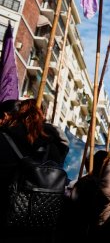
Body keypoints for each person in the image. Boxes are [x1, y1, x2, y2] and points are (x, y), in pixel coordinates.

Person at [0, 99, 69, 242]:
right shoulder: (52, 146)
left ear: (17, 114)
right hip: (40, 222)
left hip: (6, 217)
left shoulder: (5, 137)